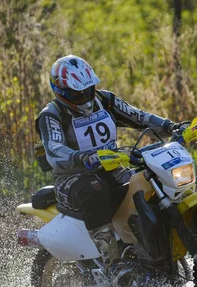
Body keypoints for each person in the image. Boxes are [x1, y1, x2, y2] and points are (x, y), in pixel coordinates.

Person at [36, 55, 179, 257]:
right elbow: (54, 149)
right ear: (61, 92)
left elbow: (139, 116)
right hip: (72, 179)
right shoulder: (52, 114)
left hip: (113, 169)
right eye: (78, 93)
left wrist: (169, 125)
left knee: (149, 183)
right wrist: (82, 157)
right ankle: (111, 261)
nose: (85, 96)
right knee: (94, 190)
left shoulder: (105, 100)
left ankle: (154, 251)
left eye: (88, 89)